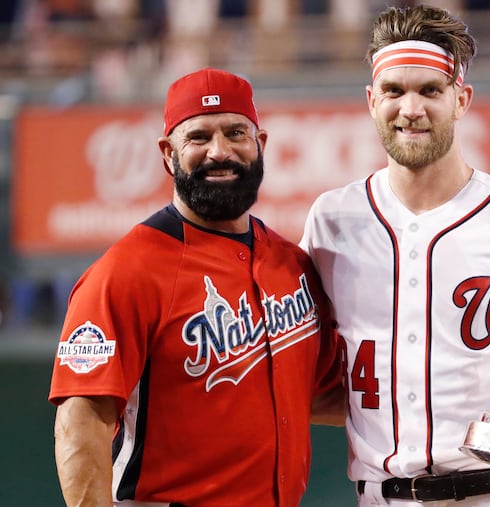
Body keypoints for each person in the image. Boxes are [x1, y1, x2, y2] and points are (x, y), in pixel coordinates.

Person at [299, 5, 490, 506]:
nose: (411, 108)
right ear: (371, 100)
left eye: (430, 90)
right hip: (384, 495)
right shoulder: (331, 220)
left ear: (461, 99)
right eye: (394, 91)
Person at [49, 67, 343, 507]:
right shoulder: (126, 272)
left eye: (235, 132)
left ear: (260, 144)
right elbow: (81, 421)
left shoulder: (291, 264)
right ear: (168, 153)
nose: (219, 151)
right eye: (199, 137)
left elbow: (320, 396)